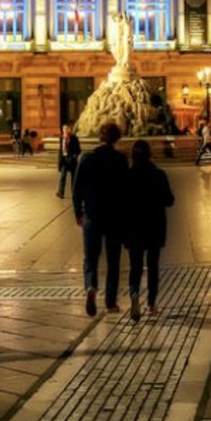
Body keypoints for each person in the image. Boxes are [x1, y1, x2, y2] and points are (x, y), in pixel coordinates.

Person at [72, 121, 129, 316]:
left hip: (92, 215)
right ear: (117, 138)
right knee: (113, 261)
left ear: (100, 136)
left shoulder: (87, 158)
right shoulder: (120, 160)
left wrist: (78, 213)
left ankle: (91, 287)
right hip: (114, 217)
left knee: (91, 258)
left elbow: (76, 189)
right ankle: (111, 303)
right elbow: (125, 190)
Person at [124, 139, 174, 321]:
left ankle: (135, 292)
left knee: (135, 266)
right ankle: (152, 304)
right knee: (153, 266)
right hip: (154, 226)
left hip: (133, 227)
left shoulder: (127, 176)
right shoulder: (159, 175)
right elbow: (169, 200)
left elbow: (121, 203)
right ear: (150, 154)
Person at [57, 124, 81, 198]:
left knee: (74, 178)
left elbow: (79, 150)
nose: (65, 130)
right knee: (62, 176)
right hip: (64, 161)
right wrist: (59, 161)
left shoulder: (74, 138)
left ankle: (74, 192)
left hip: (72, 160)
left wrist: (74, 155)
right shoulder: (61, 139)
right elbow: (60, 150)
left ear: (69, 130)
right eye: (64, 129)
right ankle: (61, 192)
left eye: (67, 129)